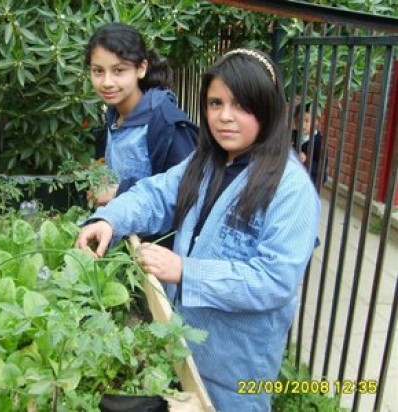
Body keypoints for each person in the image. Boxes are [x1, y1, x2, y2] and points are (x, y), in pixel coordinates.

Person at [76, 48, 321, 411]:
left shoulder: (291, 189)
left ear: (268, 109)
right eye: (215, 103)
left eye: (241, 106)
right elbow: (156, 195)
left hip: (236, 369)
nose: (225, 117)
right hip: (184, 346)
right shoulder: (208, 161)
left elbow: (274, 280)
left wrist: (185, 271)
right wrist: (108, 219)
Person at [85, 22, 198, 206]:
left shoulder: (164, 120)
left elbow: (186, 191)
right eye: (98, 71)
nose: (106, 82)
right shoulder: (113, 114)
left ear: (141, 68)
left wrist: (119, 191)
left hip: (158, 234)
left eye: (119, 71)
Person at [292, 102, 328, 185]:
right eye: (299, 120)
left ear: (316, 122)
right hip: (294, 177)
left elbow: (321, 165)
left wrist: (306, 160)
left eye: (306, 121)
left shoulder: (319, 141)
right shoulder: (293, 134)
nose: (302, 124)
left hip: (311, 180)